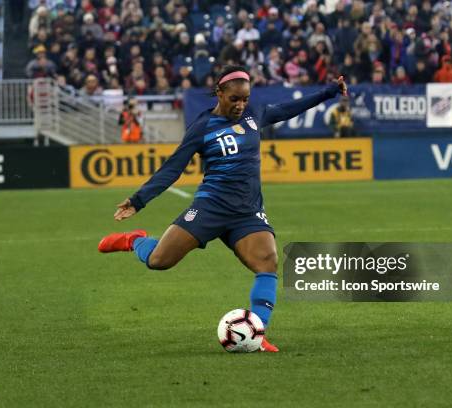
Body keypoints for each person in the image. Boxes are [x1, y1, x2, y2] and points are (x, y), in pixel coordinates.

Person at [98, 66, 347, 352]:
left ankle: (257, 332)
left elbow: (292, 107)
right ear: (219, 93)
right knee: (159, 261)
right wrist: (138, 200)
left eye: (244, 99)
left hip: (247, 211)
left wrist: (330, 91)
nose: (240, 105)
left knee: (268, 261)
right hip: (210, 207)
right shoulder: (203, 126)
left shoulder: (256, 114)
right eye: (234, 99)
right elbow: (172, 168)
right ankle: (135, 240)